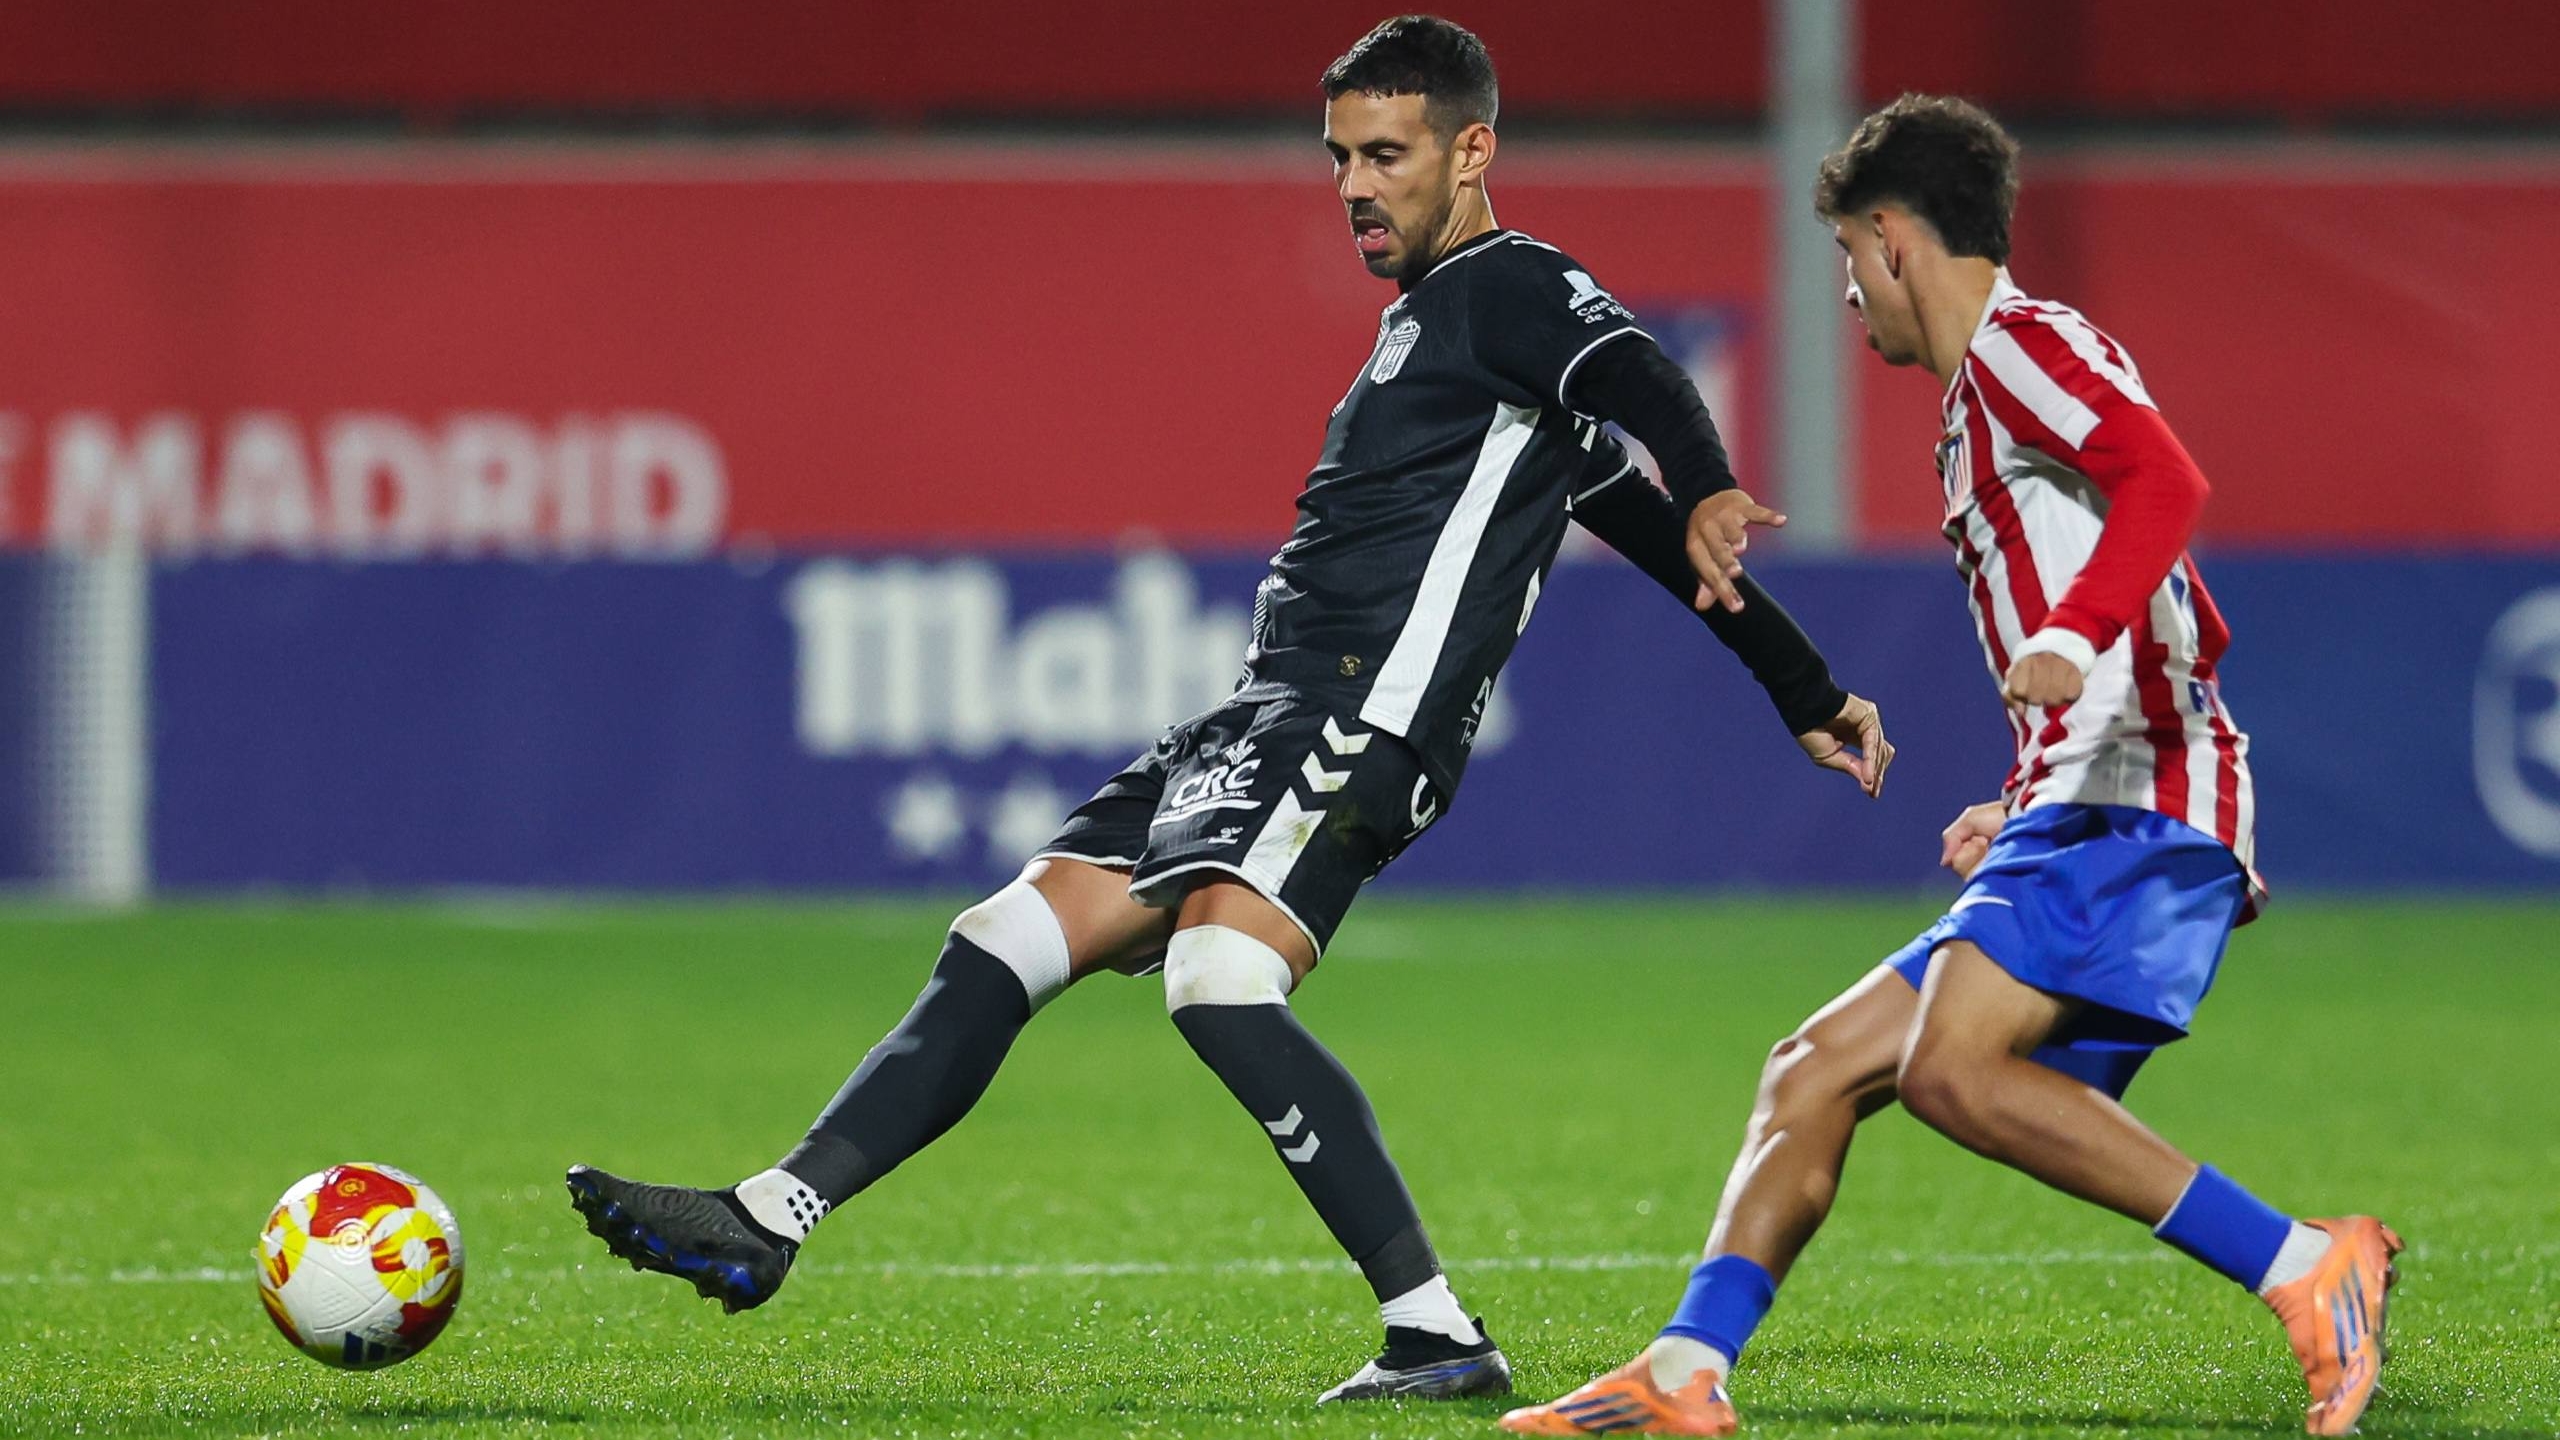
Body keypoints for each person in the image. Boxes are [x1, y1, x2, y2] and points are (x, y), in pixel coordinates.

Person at [565, 15, 1888, 1406]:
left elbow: (1632, 374)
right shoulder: (1446, 342)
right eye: (1339, 158)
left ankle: (1436, 1331)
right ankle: (772, 1215)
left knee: (1218, 980)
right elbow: (1656, 535)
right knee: (1006, 936)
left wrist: (1712, 474)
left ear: (1472, 152)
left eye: (1389, 154)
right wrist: (1809, 689)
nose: (1356, 186)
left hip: (1355, 721)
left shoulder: (1515, 287)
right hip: (1257, 715)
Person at [1502, 93, 2398, 1439]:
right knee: (1811, 1069)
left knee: (1952, 1072)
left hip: (2134, 795)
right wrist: (2031, 777)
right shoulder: (2009, 381)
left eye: (1851, 263)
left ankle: (2304, 1265)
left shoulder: (2018, 351)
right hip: (2088, 790)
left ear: (1892, 240)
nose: (1851, 297)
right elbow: (2192, 607)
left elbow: (2169, 484)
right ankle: (1684, 1376)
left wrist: (2070, 641)